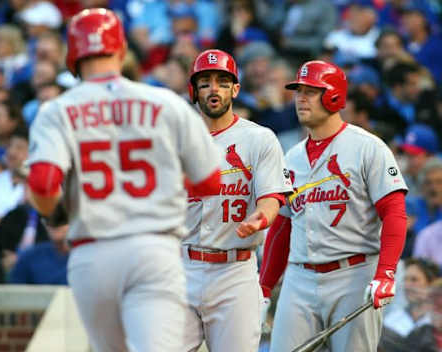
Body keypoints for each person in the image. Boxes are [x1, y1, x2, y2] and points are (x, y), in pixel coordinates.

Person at [26, 8, 222, 352]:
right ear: (120, 50)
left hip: (92, 253)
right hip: (153, 248)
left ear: (73, 55)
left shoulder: (55, 110)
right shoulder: (166, 102)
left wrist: (54, 212)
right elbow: (210, 182)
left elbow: (43, 184)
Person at [259, 60, 408, 352]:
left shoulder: (368, 147)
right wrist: (264, 287)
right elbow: (282, 226)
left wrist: (386, 272)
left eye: (311, 91)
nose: (300, 98)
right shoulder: (291, 157)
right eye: (298, 91)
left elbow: (395, 212)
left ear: (334, 96)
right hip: (299, 277)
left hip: (353, 276)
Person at [181, 49, 293, 352]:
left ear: (235, 89)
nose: (213, 88)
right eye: (205, 82)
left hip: (234, 271)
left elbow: (272, 197)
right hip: (181, 266)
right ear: (194, 90)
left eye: (222, 81)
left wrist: (261, 217)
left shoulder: (259, 138)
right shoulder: (177, 139)